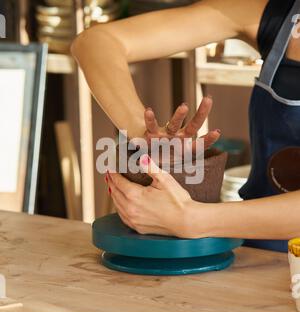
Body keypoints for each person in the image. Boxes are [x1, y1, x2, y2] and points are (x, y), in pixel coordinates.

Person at [71, 0, 300, 252]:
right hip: (258, 256)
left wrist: (193, 219)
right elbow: (95, 43)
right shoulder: (273, 13)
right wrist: (143, 134)